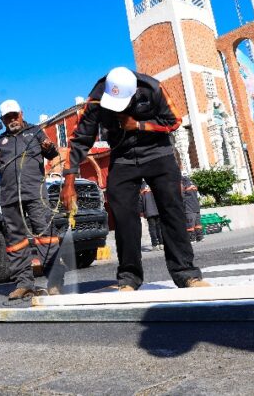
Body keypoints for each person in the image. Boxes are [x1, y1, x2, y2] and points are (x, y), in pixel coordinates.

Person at [63, 67, 209, 292]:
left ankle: (186, 274)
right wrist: (69, 182)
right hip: (122, 157)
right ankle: (129, 278)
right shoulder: (96, 99)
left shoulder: (153, 88)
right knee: (123, 217)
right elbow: (80, 139)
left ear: (133, 93)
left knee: (172, 211)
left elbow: (174, 121)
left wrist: (140, 125)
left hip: (158, 153)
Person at [0, 99, 65, 300]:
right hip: (10, 197)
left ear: (21, 114)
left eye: (14, 115)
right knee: (16, 241)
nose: (12, 120)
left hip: (35, 194)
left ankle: (55, 281)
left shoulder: (35, 132)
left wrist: (48, 147)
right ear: (2, 120)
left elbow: (52, 153)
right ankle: (24, 284)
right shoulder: (0, 141)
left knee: (46, 236)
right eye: (7, 117)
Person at [139, 182, 163, 251]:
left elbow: (140, 200)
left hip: (148, 211)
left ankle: (155, 245)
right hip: (157, 209)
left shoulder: (141, 187)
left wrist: (141, 212)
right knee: (159, 227)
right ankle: (161, 244)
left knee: (152, 229)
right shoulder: (154, 182)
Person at [181, 175, 204, 242]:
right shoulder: (193, 183)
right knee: (197, 223)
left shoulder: (183, 184)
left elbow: (181, 196)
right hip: (196, 206)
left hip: (188, 208)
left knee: (190, 224)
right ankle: (200, 237)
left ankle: (192, 239)